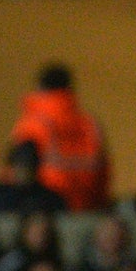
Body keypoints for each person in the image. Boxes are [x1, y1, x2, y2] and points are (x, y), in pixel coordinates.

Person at [8, 63, 110, 211]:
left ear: (40, 87)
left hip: (43, 210)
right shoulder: (90, 125)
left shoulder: (32, 124)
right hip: (86, 210)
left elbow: (16, 171)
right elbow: (104, 173)